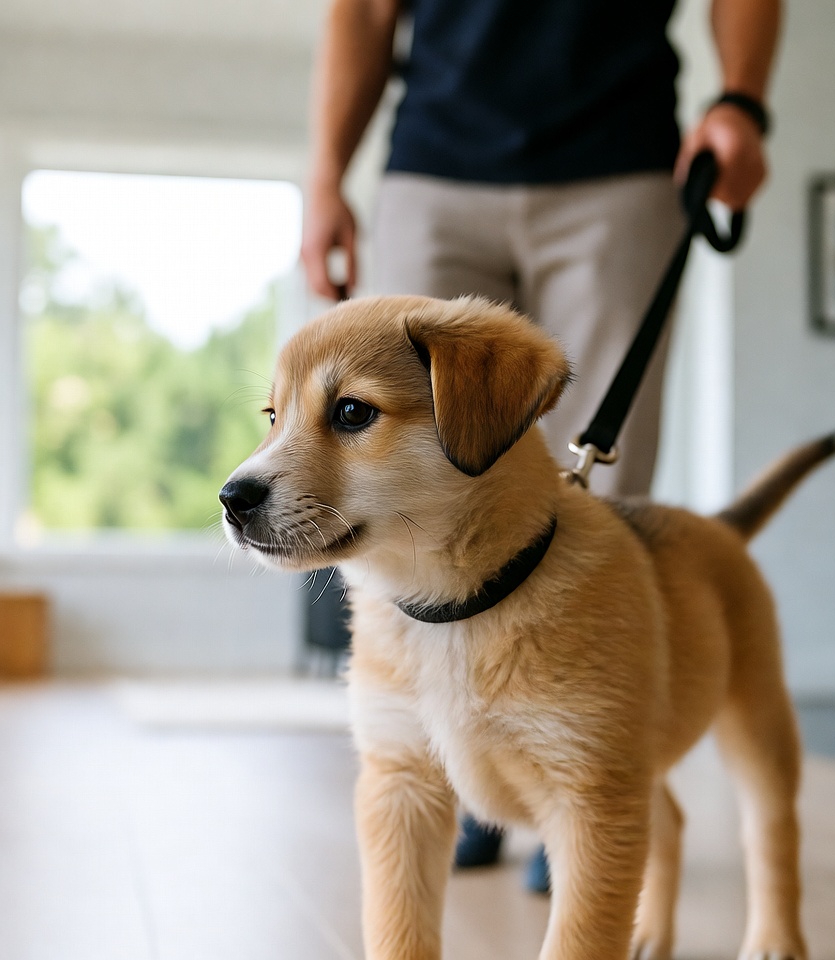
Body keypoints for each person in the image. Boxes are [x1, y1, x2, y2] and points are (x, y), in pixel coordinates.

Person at [301, 0, 780, 893]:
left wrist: (742, 102)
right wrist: (326, 172)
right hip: (433, 163)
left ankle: (568, 783)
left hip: (621, 165)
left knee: (599, 485)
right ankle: (450, 772)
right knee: (411, 479)